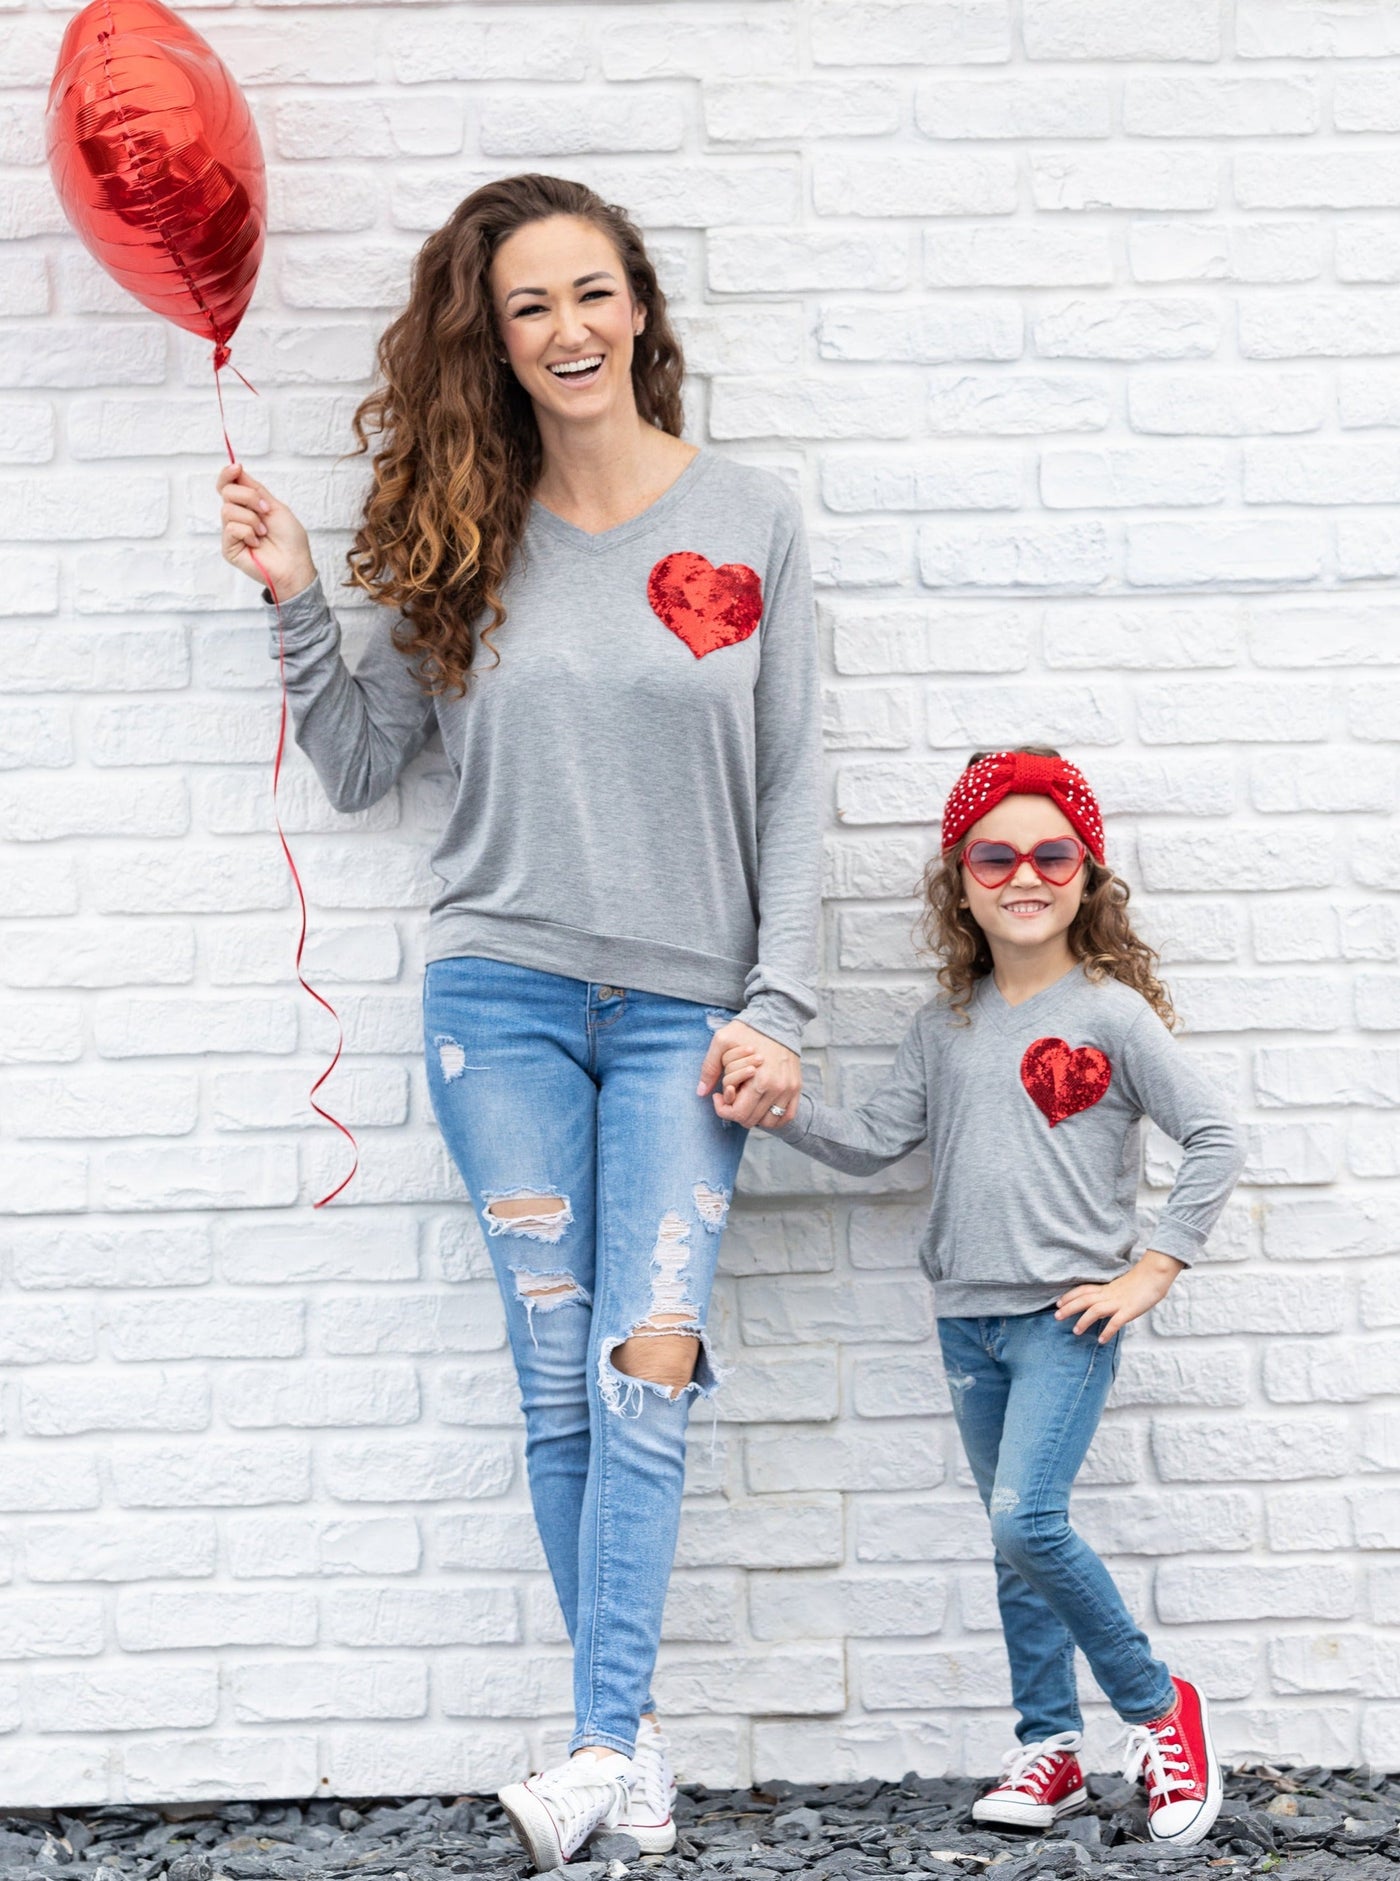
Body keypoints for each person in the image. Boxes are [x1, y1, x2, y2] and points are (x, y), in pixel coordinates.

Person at [216, 173, 820, 1871]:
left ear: (642, 308)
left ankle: (606, 1743)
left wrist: (782, 999)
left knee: (651, 1352)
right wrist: (289, 594)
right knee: (559, 1381)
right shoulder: (461, 530)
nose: (566, 331)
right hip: (503, 1001)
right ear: (490, 335)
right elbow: (355, 768)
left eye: (592, 294)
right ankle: (622, 1752)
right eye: (528, 306)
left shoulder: (752, 518)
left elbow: (793, 783)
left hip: (688, 1013)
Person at [721, 746, 1244, 1849]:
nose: (1023, 874)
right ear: (958, 879)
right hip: (965, 1314)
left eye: (1051, 852)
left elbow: (1213, 1135)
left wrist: (1152, 1267)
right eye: (992, 855)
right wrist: (782, 1107)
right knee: (1010, 1541)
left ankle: (1159, 1709)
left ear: (1087, 873)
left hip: (1066, 1316)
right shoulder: (941, 1023)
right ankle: (1048, 1747)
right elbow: (871, 1143)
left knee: (1026, 1519)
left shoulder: (1110, 1015)